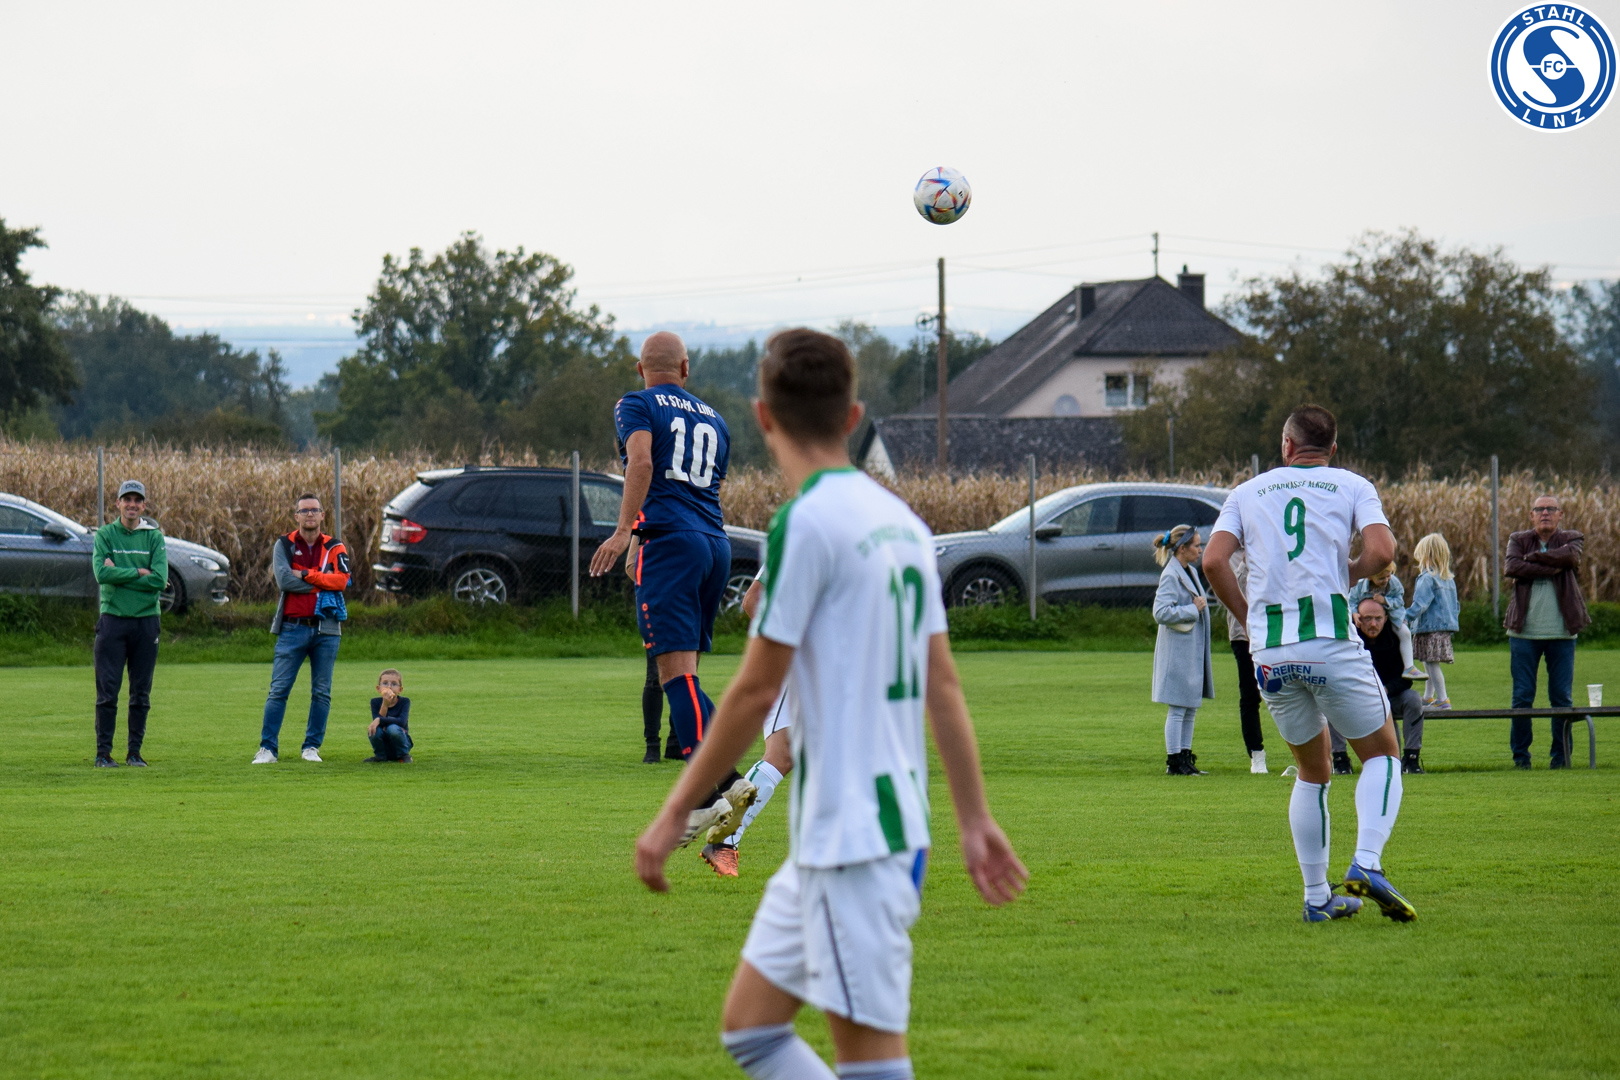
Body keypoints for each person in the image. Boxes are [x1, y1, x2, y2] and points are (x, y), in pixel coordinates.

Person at [634, 327, 1026, 1080]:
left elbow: (754, 690)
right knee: (753, 1030)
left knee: (870, 1061)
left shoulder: (805, 523)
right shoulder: (904, 526)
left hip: (858, 840)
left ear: (762, 418)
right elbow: (943, 685)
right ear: (853, 417)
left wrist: (674, 813)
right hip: (851, 835)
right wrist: (974, 819)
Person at [1204, 403, 1417, 924]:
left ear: (1286, 445)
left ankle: (1318, 897)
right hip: (1328, 640)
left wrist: (1248, 616)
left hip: (1271, 652)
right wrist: (1349, 572)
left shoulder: (1247, 491)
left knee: (1312, 770)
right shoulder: (1352, 485)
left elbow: (1212, 560)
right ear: (1333, 449)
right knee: (1384, 754)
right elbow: (1383, 551)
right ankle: (1367, 862)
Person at [589, 331, 755, 844]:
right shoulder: (716, 418)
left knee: (673, 676)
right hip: (715, 545)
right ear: (685, 368)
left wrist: (624, 531)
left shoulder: (635, 404)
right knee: (687, 675)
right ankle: (729, 780)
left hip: (672, 546)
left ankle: (705, 796)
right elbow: (702, 487)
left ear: (640, 369)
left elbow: (642, 463)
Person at [700, 568, 795, 877]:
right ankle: (725, 836)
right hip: (799, 663)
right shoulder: (798, 539)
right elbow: (753, 600)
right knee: (782, 753)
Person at [253, 493, 351, 765]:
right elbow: (285, 581)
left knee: (321, 692)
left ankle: (311, 747)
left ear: (322, 515)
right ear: (296, 516)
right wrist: (323, 583)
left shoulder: (335, 546)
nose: (310, 514)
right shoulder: (284, 544)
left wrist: (307, 575)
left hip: (326, 629)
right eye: (304, 510)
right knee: (279, 690)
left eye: (314, 510)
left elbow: (342, 581)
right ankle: (267, 748)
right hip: (292, 628)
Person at [1504, 495, 1590, 769]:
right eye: (1539, 509)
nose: (1545, 513)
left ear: (1560, 514)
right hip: (1523, 634)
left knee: (1561, 698)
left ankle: (1561, 758)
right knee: (1522, 698)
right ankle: (1521, 759)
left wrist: (1533, 559)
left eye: (1550, 509)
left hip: (1562, 634)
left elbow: (1571, 557)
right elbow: (1512, 567)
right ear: (1531, 515)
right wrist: (1553, 565)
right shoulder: (1518, 539)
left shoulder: (1572, 538)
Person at [90, 479, 167, 768]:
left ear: (143, 506)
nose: (132, 505)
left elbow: (159, 580)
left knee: (140, 693)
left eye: (137, 500)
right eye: (127, 499)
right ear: (118, 503)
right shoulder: (106, 535)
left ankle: (134, 753)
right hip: (112, 621)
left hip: (146, 622)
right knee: (107, 693)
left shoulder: (154, 537)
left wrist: (120, 574)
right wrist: (138, 572)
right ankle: (103, 754)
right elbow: (101, 575)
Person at [1329, 598, 1428, 774]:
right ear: (1357, 618)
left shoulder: (1396, 639)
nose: (1373, 624)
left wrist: (1386, 689)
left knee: (1413, 698)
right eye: (1367, 618)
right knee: (1329, 702)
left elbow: (1406, 679)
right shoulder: (1348, 641)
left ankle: (1411, 759)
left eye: (1378, 618)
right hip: (1357, 698)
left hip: (1390, 696)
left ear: (1386, 618)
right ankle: (1340, 761)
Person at [1151, 525, 1214, 776]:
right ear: (1182, 548)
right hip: (1177, 651)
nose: (1200, 550)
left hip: (1190, 650)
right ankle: (1174, 761)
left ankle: (1185, 759)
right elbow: (1160, 612)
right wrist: (1192, 609)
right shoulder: (1170, 575)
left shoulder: (1190, 571)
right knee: (1178, 707)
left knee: (1190, 706)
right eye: (1196, 546)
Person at [1225, 548, 1268, 773]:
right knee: (1250, 695)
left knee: (1291, 693)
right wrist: (1245, 563)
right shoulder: (1232, 555)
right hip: (1244, 636)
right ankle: (1256, 754)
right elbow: (1230, 592)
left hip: (1275, 633)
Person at [1406, 533, 1460, 711]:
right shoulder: (1448, 580)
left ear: (1426, 555)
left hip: (1429, 628)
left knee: (1431, 663)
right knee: (1427, 661)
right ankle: (1428, 697)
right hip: (1442, 628)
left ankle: (1443, 699)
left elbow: (1420, 604)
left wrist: (1405, 617)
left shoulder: (1427, 578)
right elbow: (1455, 606)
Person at [1348, 561, 1425, 681]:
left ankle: (1409, 667)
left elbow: (1399, 600)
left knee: (1405, 633)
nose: (1385, 580)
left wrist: (1385, 601)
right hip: (1365, 619)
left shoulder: (1393, 582)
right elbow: (1351, 601)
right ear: (1370, 577)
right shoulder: (1359, 585)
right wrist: (1354, 613)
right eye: (1381, 578)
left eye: (1388, 576)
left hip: (1392, 615)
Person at [365, 668, 413, 763]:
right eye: (385, 683)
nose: (389, 687)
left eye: (394, 684)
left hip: (400, 741)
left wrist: (379, 719)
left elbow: (402, 721)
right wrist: (385, 703)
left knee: (393, 728)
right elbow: (378, 723)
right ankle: (380, 756)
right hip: (385, 743)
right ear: (378, 688)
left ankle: (403, 755)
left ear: (400, 689)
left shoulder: (404, 702)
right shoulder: (375, 702)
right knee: (374, 729)